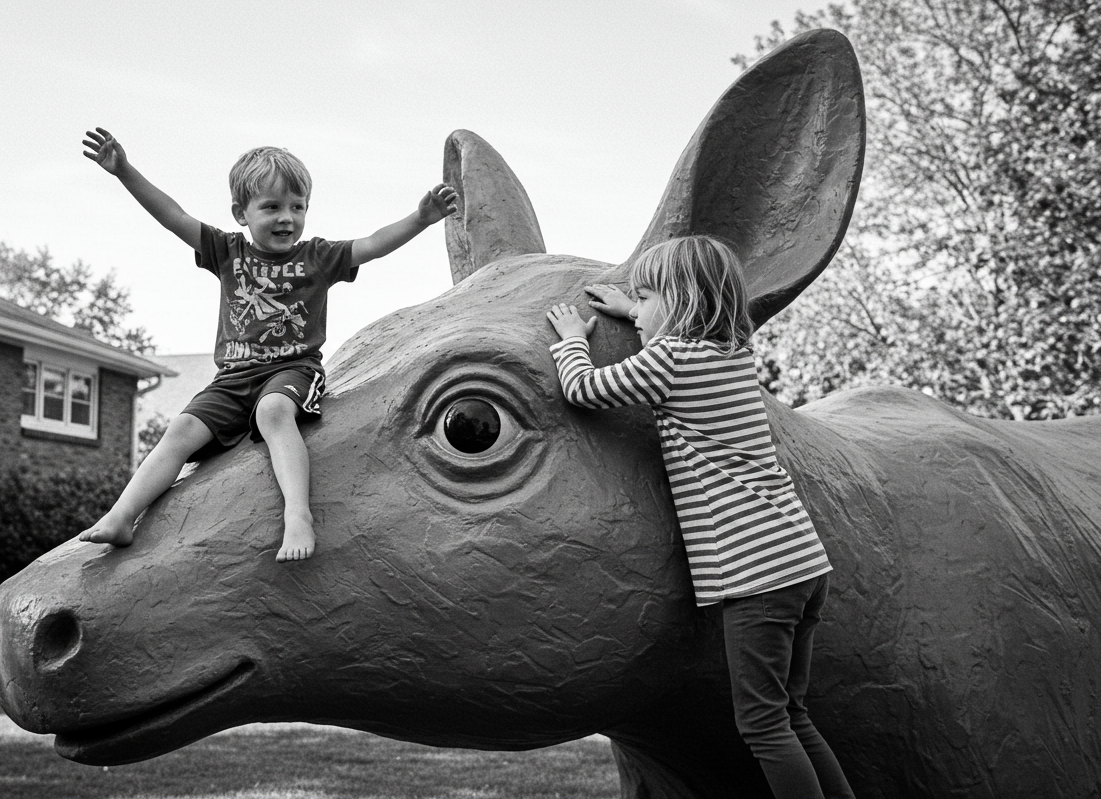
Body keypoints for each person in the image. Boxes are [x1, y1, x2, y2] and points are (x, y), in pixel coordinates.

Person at [545, 236, 855, 799]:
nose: (635, 313)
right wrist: (633, 308)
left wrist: (572, 341)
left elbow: (584, 390)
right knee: (794, 714)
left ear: (681, 301)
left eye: (646, 298)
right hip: (803, 562)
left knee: (762, 724)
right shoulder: (732, 357)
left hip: (757, 572)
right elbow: (664, 324)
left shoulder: (670, 361)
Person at [77, 128, 457, 562]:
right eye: (272, 207)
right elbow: (172, 215)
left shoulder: (317, 256)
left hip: (293, 372)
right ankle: (122, 515)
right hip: (233, 378)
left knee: (273, 410)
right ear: (242, 212)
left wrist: (419, 219)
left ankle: (298, 515)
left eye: (297, 207)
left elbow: (372, 244)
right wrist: (124, 171)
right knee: (180, 429)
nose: (287, 218)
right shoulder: (226, 250)